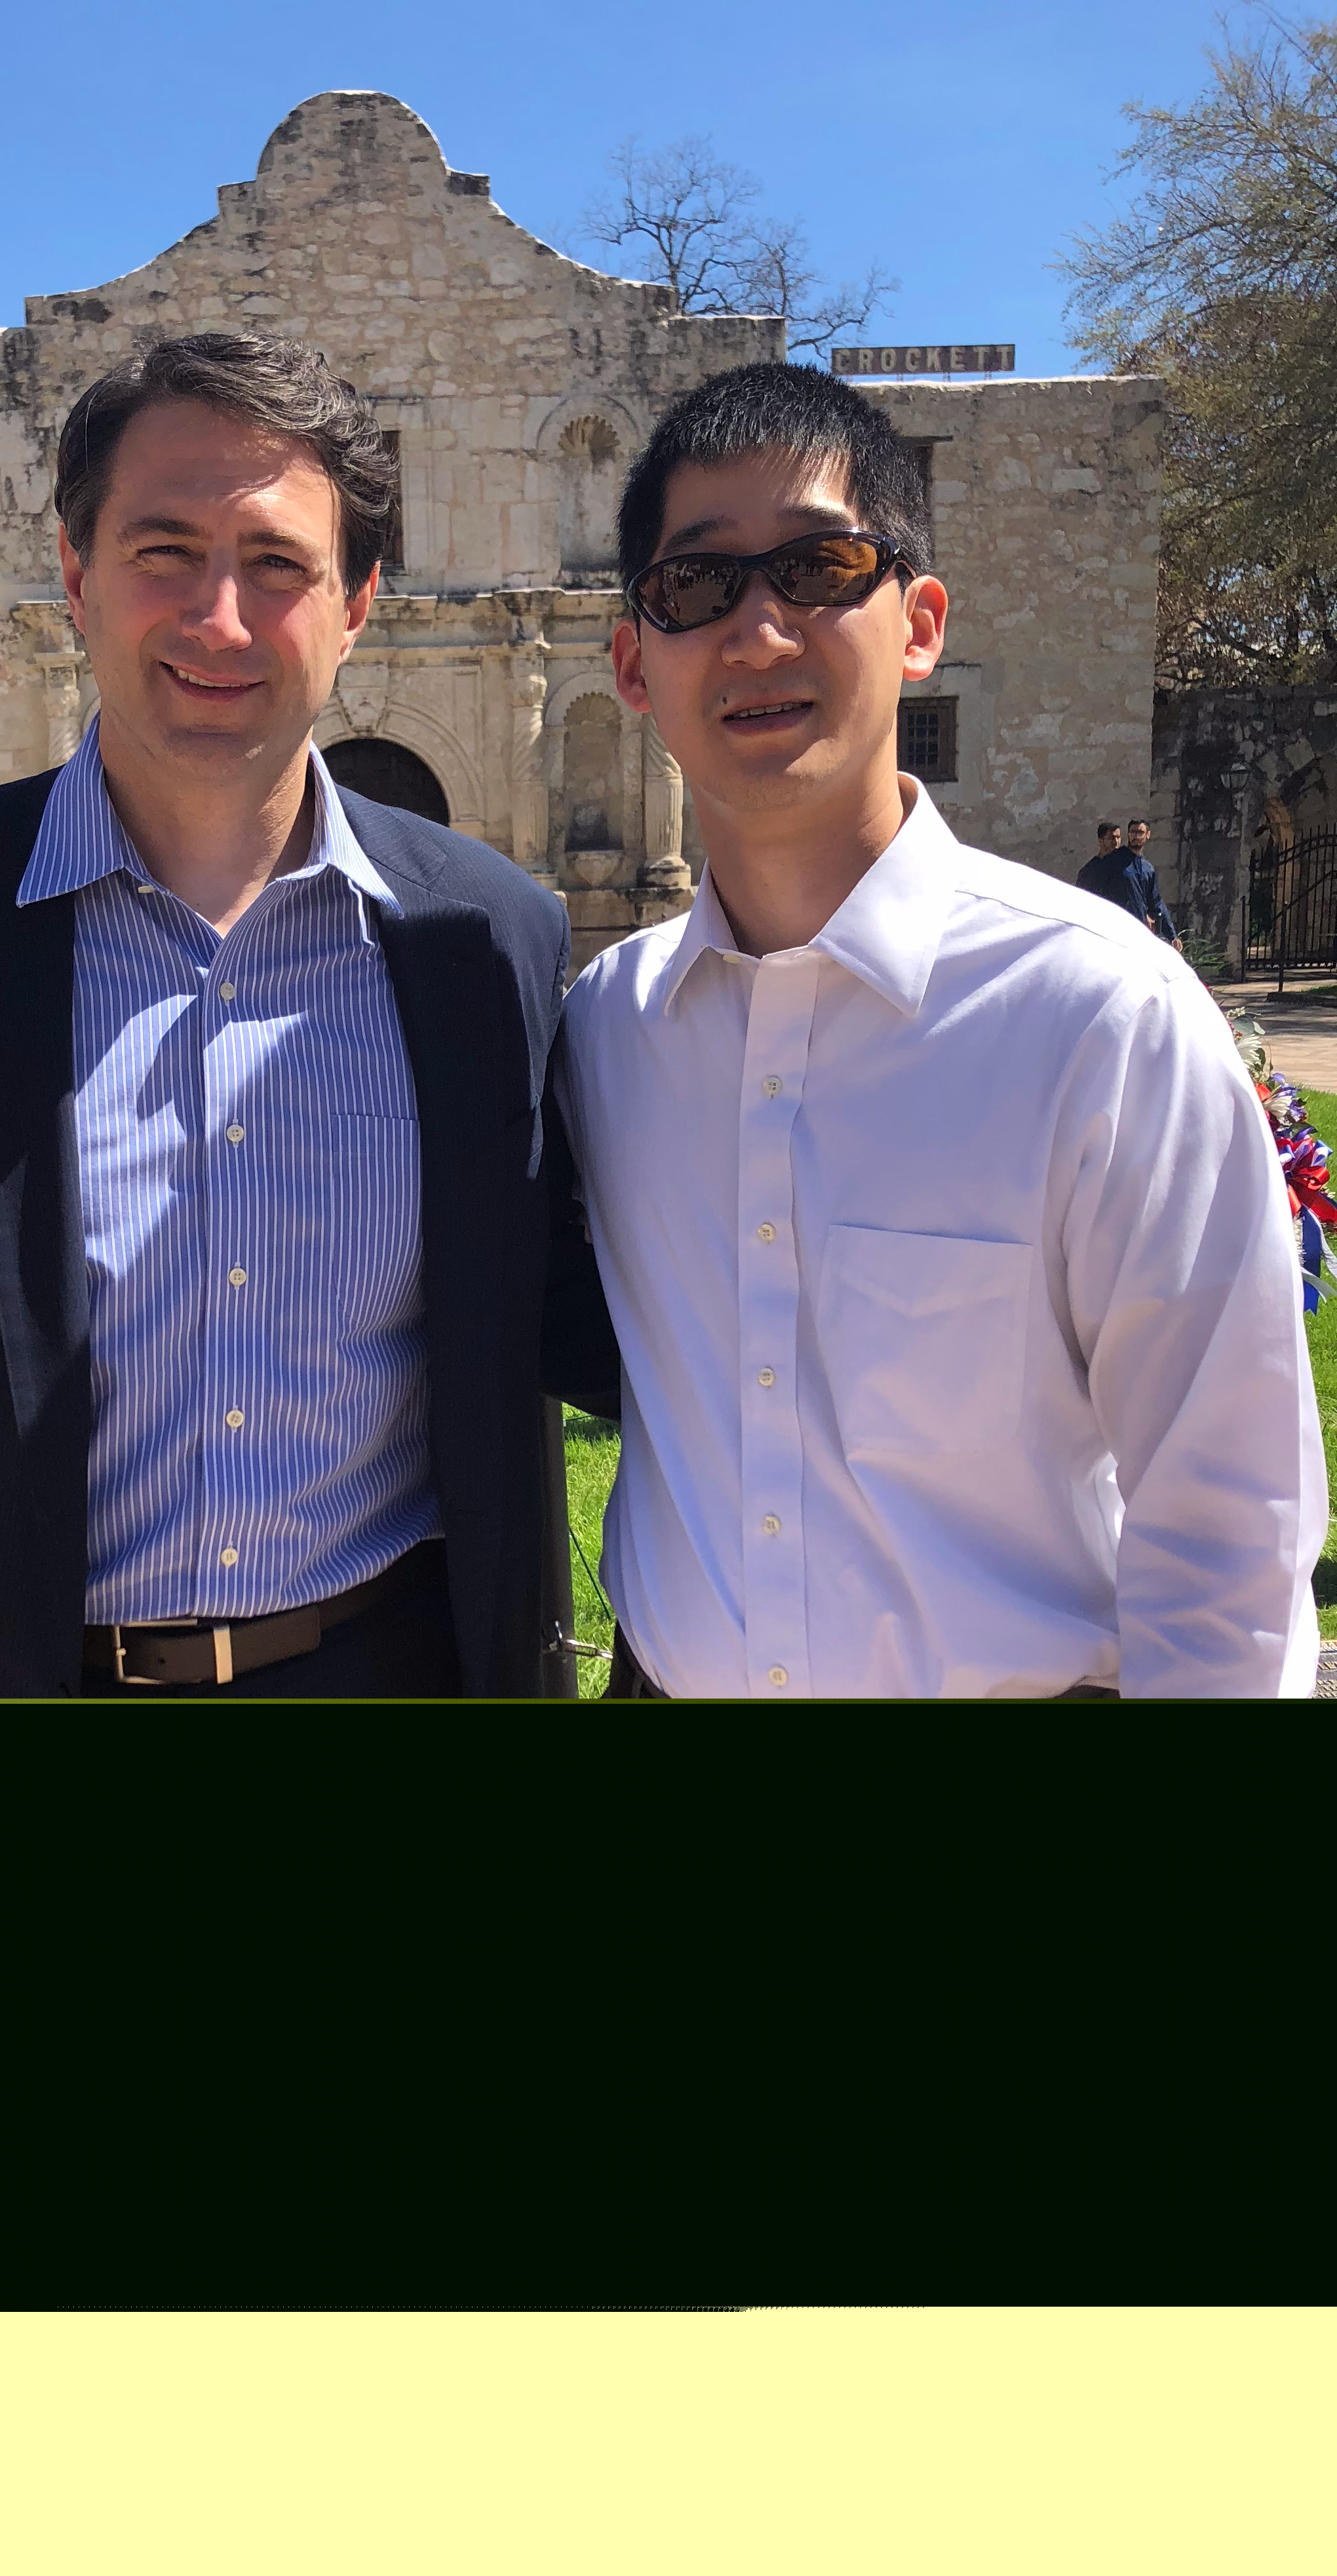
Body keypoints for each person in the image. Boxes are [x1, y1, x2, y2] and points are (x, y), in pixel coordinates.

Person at [0, 332, 570, 1699]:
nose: (219, 617)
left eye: (279, 564)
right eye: (164, 549)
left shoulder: (486, 937)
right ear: (74, 577)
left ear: (358, 606)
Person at [551, 360, 1323, 1699]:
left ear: (918, 624)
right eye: (698, 586)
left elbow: (1228, 1530)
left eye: (819, 568)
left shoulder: (1100, 1015)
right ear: (633, 661)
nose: (759, 631)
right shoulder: (614, 1036)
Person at [1121, 817, 1180, 948]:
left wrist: (1172, 936)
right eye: (1133, 832)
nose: (1136, 836)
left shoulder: (1148, 869)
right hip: (1120, 928)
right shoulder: (1116, 861)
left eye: (1140, 833)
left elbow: (1156, 902)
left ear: (1148, 835)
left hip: (1141, 931)